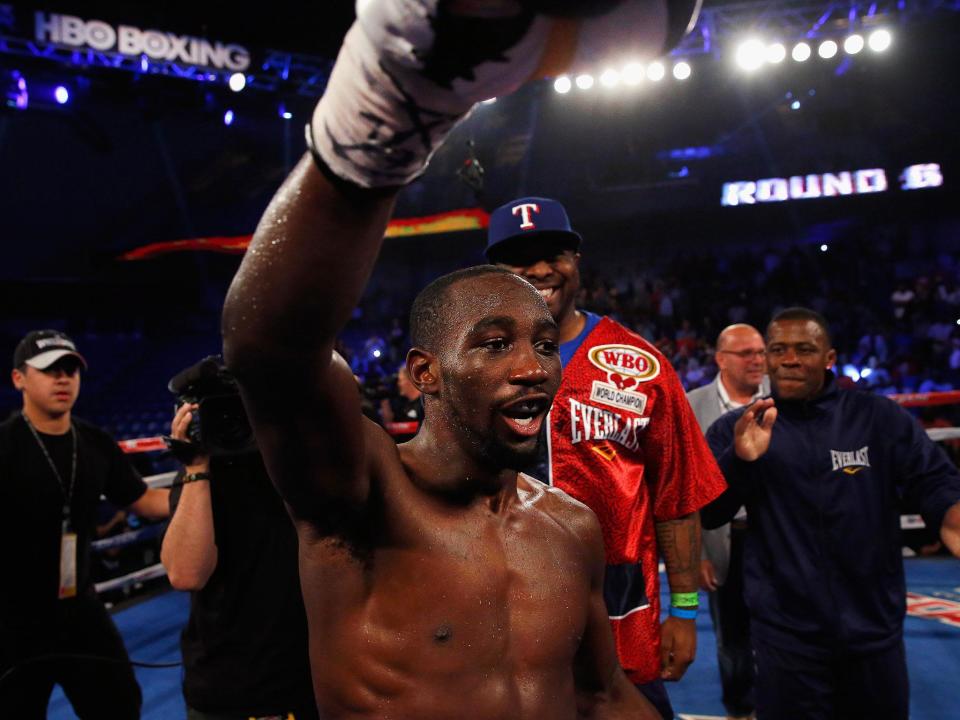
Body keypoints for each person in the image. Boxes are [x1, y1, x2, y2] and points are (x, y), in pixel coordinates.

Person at [221, 2, 707, 717]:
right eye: (494, 342)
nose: (533, 366)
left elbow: (600, 698)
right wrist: (380, 114)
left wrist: (685, 605)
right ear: (423, 374)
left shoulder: (569, 526)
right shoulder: (361, 494)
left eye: (545, 345)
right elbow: (270, 350)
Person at [484, 196, 728, 718]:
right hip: (496, 631)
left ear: (577, 261)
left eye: (555, 252)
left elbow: (677, 497)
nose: (541, 269)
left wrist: (685, 611)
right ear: (494, 272)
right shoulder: (468, 367)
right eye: (521, 256)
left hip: (619, 627)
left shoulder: (642, 366)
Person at [702, 307, 960, 720]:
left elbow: (932, 480)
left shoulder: (878, 418)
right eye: (779, 349)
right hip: (786, 639)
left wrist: (950, 515)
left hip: (873, 631)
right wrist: (740, 460)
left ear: (830, 358)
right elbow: (708, 513)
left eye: (805, 349)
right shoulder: (740, 427)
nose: (790, 359)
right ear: (767, 357)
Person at [0, 329, 169, 718]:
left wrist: (200, 486)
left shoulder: (94, 442)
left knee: (120, 704)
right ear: (19, 379)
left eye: (70, 369)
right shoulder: (4, 445)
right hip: (13, 618)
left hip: (80, 606)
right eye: (49, 370)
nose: (62, 378)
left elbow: (144, 500)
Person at [160, 359, 318, 720]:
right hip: (227, 687)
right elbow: (186, 574)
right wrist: (196, 468)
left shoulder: (301, 468)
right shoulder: (197, 482)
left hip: (303, 680)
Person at [686, 324, 768, 720]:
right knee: (731, 636)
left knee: (785, 627)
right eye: (746, 353)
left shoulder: (782, 397)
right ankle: (740, 710)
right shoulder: (692, 405)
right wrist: (696, 551)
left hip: (778, 536)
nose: (757, 360)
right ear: (721, 359)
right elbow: (685, 484)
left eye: (760, 352)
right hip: (722, 537)